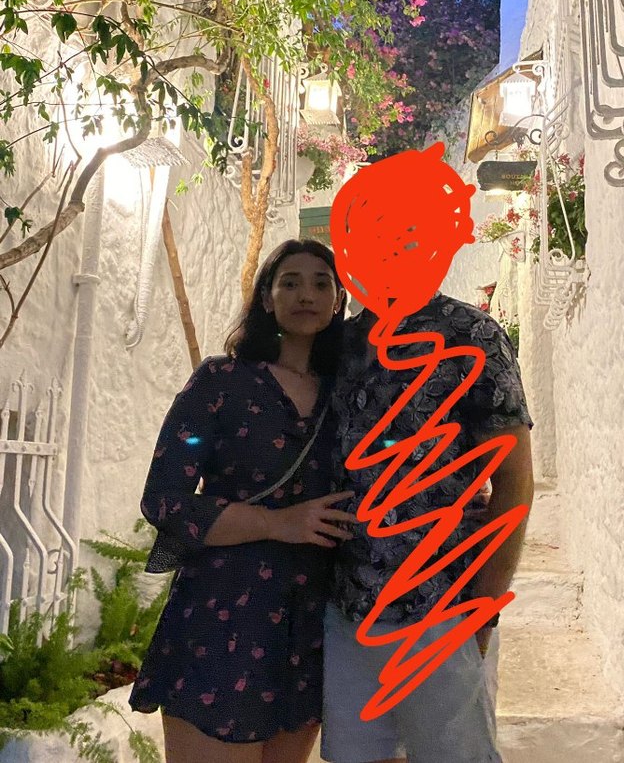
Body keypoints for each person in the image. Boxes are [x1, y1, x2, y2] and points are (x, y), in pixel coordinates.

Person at [128, 239, 356, 763]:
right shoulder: (220, 382)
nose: (306, 294)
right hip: (224, 613)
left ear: (339, 300)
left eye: (321, 283)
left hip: (310, 623)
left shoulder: (347, 394)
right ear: (267, 299)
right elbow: (164, 499)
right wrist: (277, 523)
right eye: (290, 282)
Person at [321, 293, 534, 763]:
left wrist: (482, 612)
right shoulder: (341, 342)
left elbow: (514, 481)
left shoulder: (470, 334)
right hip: (348, 609)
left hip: (441, 610)